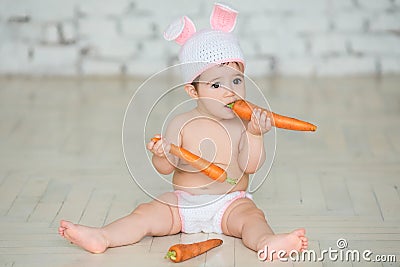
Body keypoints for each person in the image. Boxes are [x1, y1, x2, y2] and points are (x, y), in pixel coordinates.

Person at [59, 3, 308, 261]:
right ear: (193, 91)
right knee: (145, 213)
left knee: (253, 218)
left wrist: (256, 134)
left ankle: (267, 241)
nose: (230, 91)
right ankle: (104, 237)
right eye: (215, 84)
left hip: (230, 203)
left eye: (236, 80)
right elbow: (167, 168)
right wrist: (161, 153)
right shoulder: (180, 122)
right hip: (183, 203)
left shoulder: (242, 125)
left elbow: (251, 165)